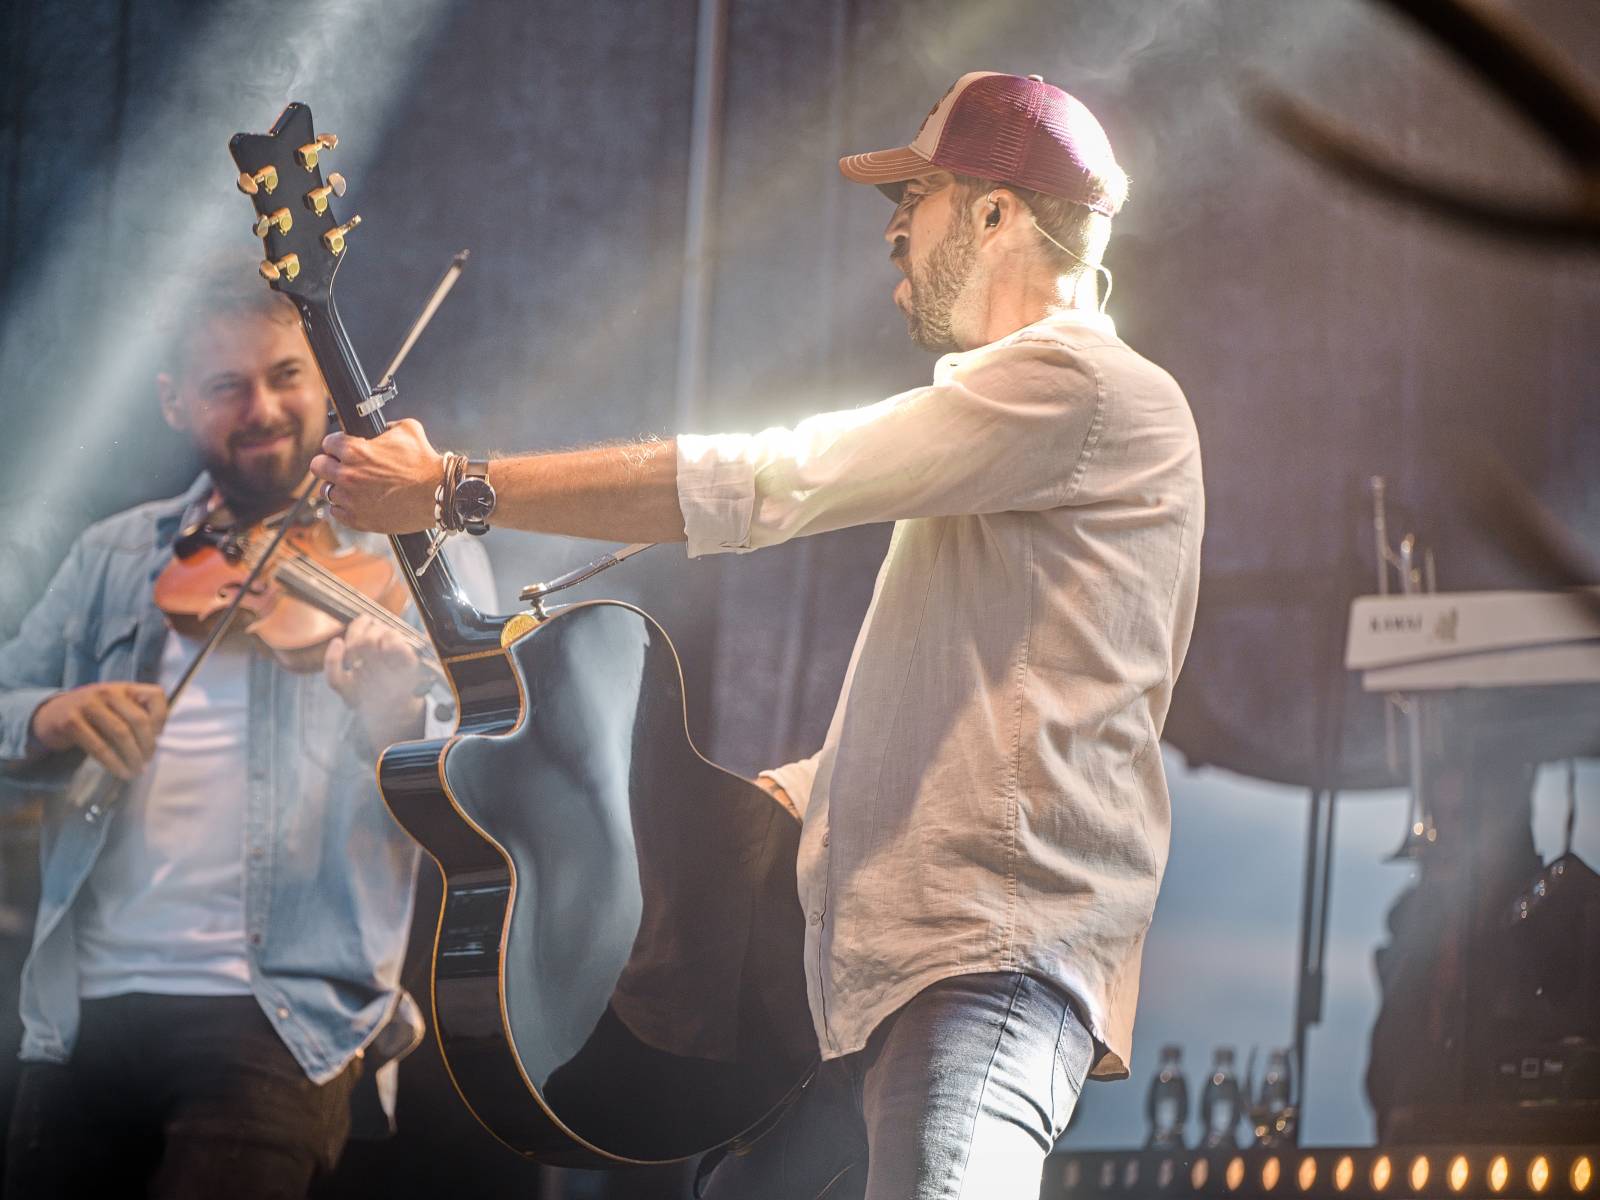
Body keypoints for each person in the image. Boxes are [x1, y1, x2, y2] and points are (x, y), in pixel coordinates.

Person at [312, 71, 1203, 1199]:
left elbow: (766, 481)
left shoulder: (1078, 386)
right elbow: (987, 720)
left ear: (994, 213)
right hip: (876, 981)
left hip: (981, 967)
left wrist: (452, 486)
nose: (890, 231)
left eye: (914, 198)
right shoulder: (1023, 433)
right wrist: (792, 802)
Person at [0, 272, 492, 1199]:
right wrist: (47, 716)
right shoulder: (115, 553)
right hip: (82, 1005)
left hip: (281, 1013)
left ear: (325, 383)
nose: (262, 409)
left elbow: (479, 762)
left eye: (286, 376)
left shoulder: (419, 554)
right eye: (227, 386)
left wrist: (390, 712)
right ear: (174, 401)